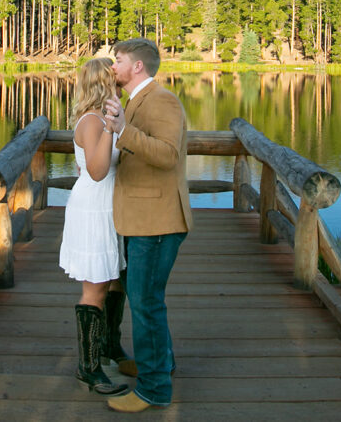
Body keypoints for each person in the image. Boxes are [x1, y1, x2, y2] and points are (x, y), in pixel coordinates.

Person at [101, 38, 192, 413]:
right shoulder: (134, 102)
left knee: (145, 303)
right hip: (140, 219)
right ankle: (161, 364)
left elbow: (168, 155)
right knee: (147, 301)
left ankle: (154, 389)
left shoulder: (163, 101)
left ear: (137, 66)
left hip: (157, 222)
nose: (113, 66)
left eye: (118, 60)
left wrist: (124, 132)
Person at [58, 57, 130, 397]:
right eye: (114, 80)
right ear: (103, 84)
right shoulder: (91, 122)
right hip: (94, 208)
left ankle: (109, 346)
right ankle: (88, 367)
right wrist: (110, 126)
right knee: (96, 287)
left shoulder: (104, 119)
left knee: (115, 280)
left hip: (110, 205)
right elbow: (97, 171)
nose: (120, 85)